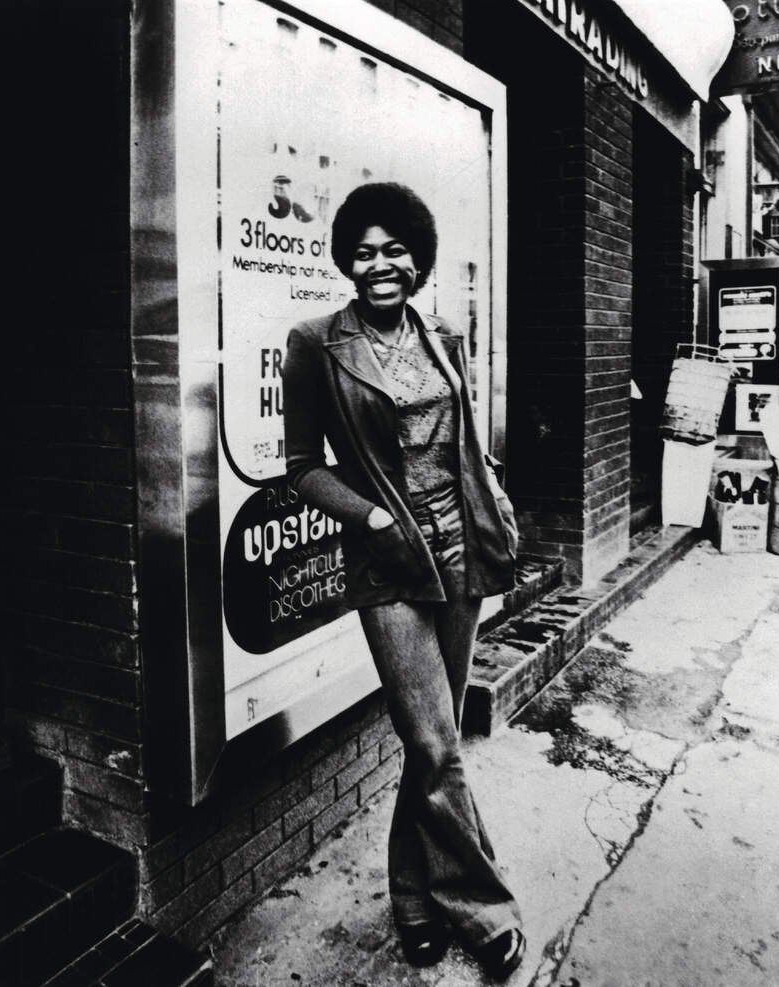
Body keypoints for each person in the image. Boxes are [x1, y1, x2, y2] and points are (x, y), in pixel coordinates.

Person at [283, 182, 525, 979]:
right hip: (389, 563)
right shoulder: (316, 342)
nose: (380, 264)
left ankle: (412, 898)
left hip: (461, 558)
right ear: (346, 260)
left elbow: (462, 439)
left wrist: (490, 491)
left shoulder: (443, 333)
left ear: (416, 258)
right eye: (364, 250)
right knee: (432, 742)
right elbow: (301, 469)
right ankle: (483, 909)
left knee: (436, 744)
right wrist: (371, 518)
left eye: (394, 250)